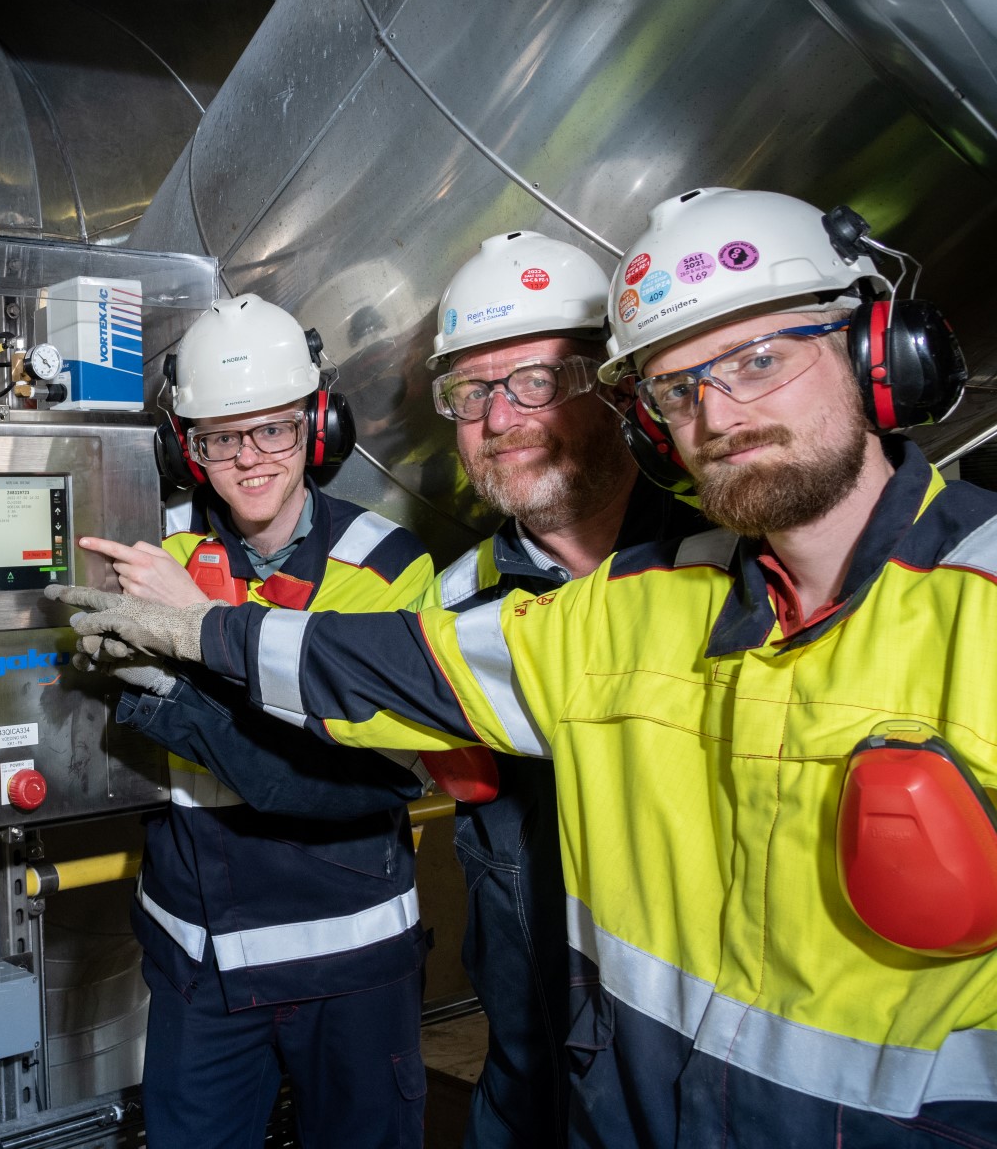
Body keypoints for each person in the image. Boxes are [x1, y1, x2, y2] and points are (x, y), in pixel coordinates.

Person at [57, 188, 996, 1145]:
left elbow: (351, 763)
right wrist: (199, 636)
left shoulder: (711, 591)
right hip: (571, 1082)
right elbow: (367, 670)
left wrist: (189, 664)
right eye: (472, 394)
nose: (719, 413)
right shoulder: (540, 611)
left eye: (761, 359)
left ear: (882, 356)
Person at [76, 293, 433, 1147]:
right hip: (201, 968)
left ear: (317, 428)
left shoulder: (384, 571)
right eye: (220, 438)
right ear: (187, 450)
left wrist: (190, 650)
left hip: (349, 968)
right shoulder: (153, 562)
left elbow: (355, 782)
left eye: (271, 429)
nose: (249, 459)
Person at [424, 232, 701, 1147]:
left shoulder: (728, 564)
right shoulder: (454, 601)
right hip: (525, 1052)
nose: (501, 419)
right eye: (472, 392)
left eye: (537, 380)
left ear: (615, 389)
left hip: (697, 1069)